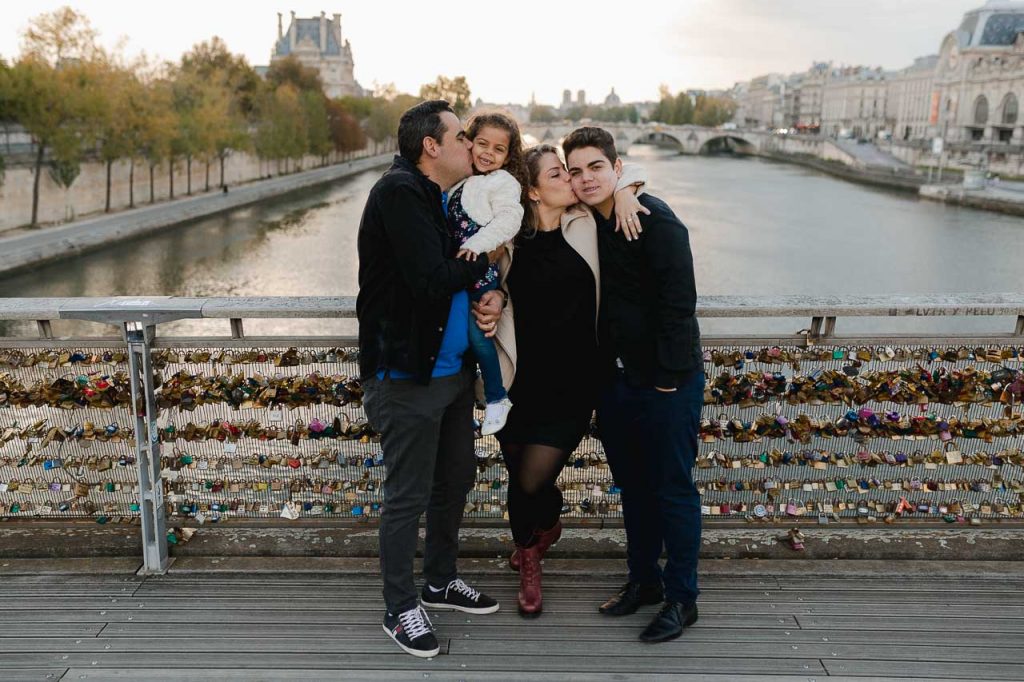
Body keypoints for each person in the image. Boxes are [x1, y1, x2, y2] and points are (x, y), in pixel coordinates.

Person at [356, 100, 504, 659]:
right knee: (407, 496)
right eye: (462, 137)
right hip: (406, 375)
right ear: (432, 146)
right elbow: (431, 279)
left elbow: (458, 277)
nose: (472, 146)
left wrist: (494, 288)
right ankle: (399, 608)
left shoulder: (440, 198)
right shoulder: (398, 194)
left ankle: (439, 580)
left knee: (454, 480)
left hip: (449, 374)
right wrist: (486, 257)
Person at [491, 144, 647, 617]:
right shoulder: (509, 241)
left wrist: (628, 190)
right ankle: (532, 544)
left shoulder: (588, 224)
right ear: (533, 191)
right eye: (558, 173)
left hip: (576, 381)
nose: (571, 179)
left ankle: (534, 550)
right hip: (518, 381)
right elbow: (484, 281)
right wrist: (494, 296)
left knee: (532, 479)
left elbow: (625, 168)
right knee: (519, 477)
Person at [563, 126, 705, 643]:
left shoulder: (655, 221)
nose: (584, 178)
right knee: (635, 492)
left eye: (595, 167)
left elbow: (677, 306)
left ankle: (682, 599)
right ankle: (644, 581)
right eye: (575, 170)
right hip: (617, 385)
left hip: (666, 383)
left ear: (616, 167)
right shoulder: (586, 223)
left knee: (672, 490)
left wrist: (667, 381)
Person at [447, 112, 526, 435]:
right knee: (467, 339)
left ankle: (496, 397)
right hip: (460, 274)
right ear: (468, 142)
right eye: (482, 144)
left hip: (479, 275)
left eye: (498, 149)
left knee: (479, 341)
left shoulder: (503, 182)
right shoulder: (463, 179)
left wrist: (477, 246)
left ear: (508, 157)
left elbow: (509, 219)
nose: (488, 153)